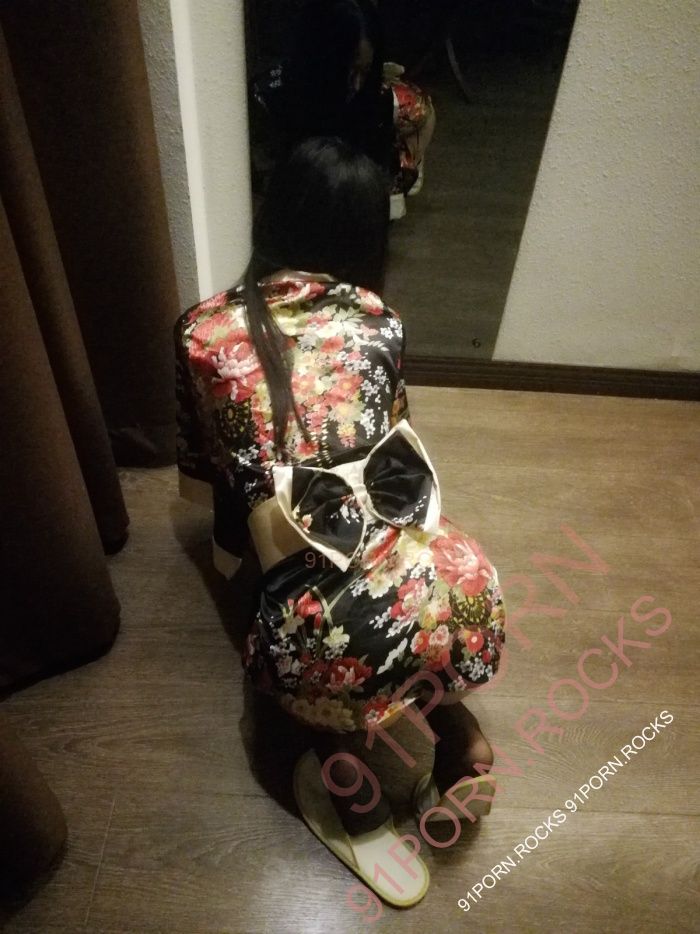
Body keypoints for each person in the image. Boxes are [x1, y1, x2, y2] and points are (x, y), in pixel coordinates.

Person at [175, 137, 505, 907]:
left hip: (321, 607)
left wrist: (236, 572)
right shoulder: (381, 321)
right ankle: (459, 739)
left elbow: (209, 478)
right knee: (415, 604)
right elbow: (393, 443)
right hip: (460, 579)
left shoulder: (200, 332)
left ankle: (347, 781)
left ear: (273, 215)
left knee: (330, 647)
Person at [249, 0, 435, 219]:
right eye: (349, 70)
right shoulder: (271, 105)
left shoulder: (372, 96)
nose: (357, 84)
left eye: (365, 71)